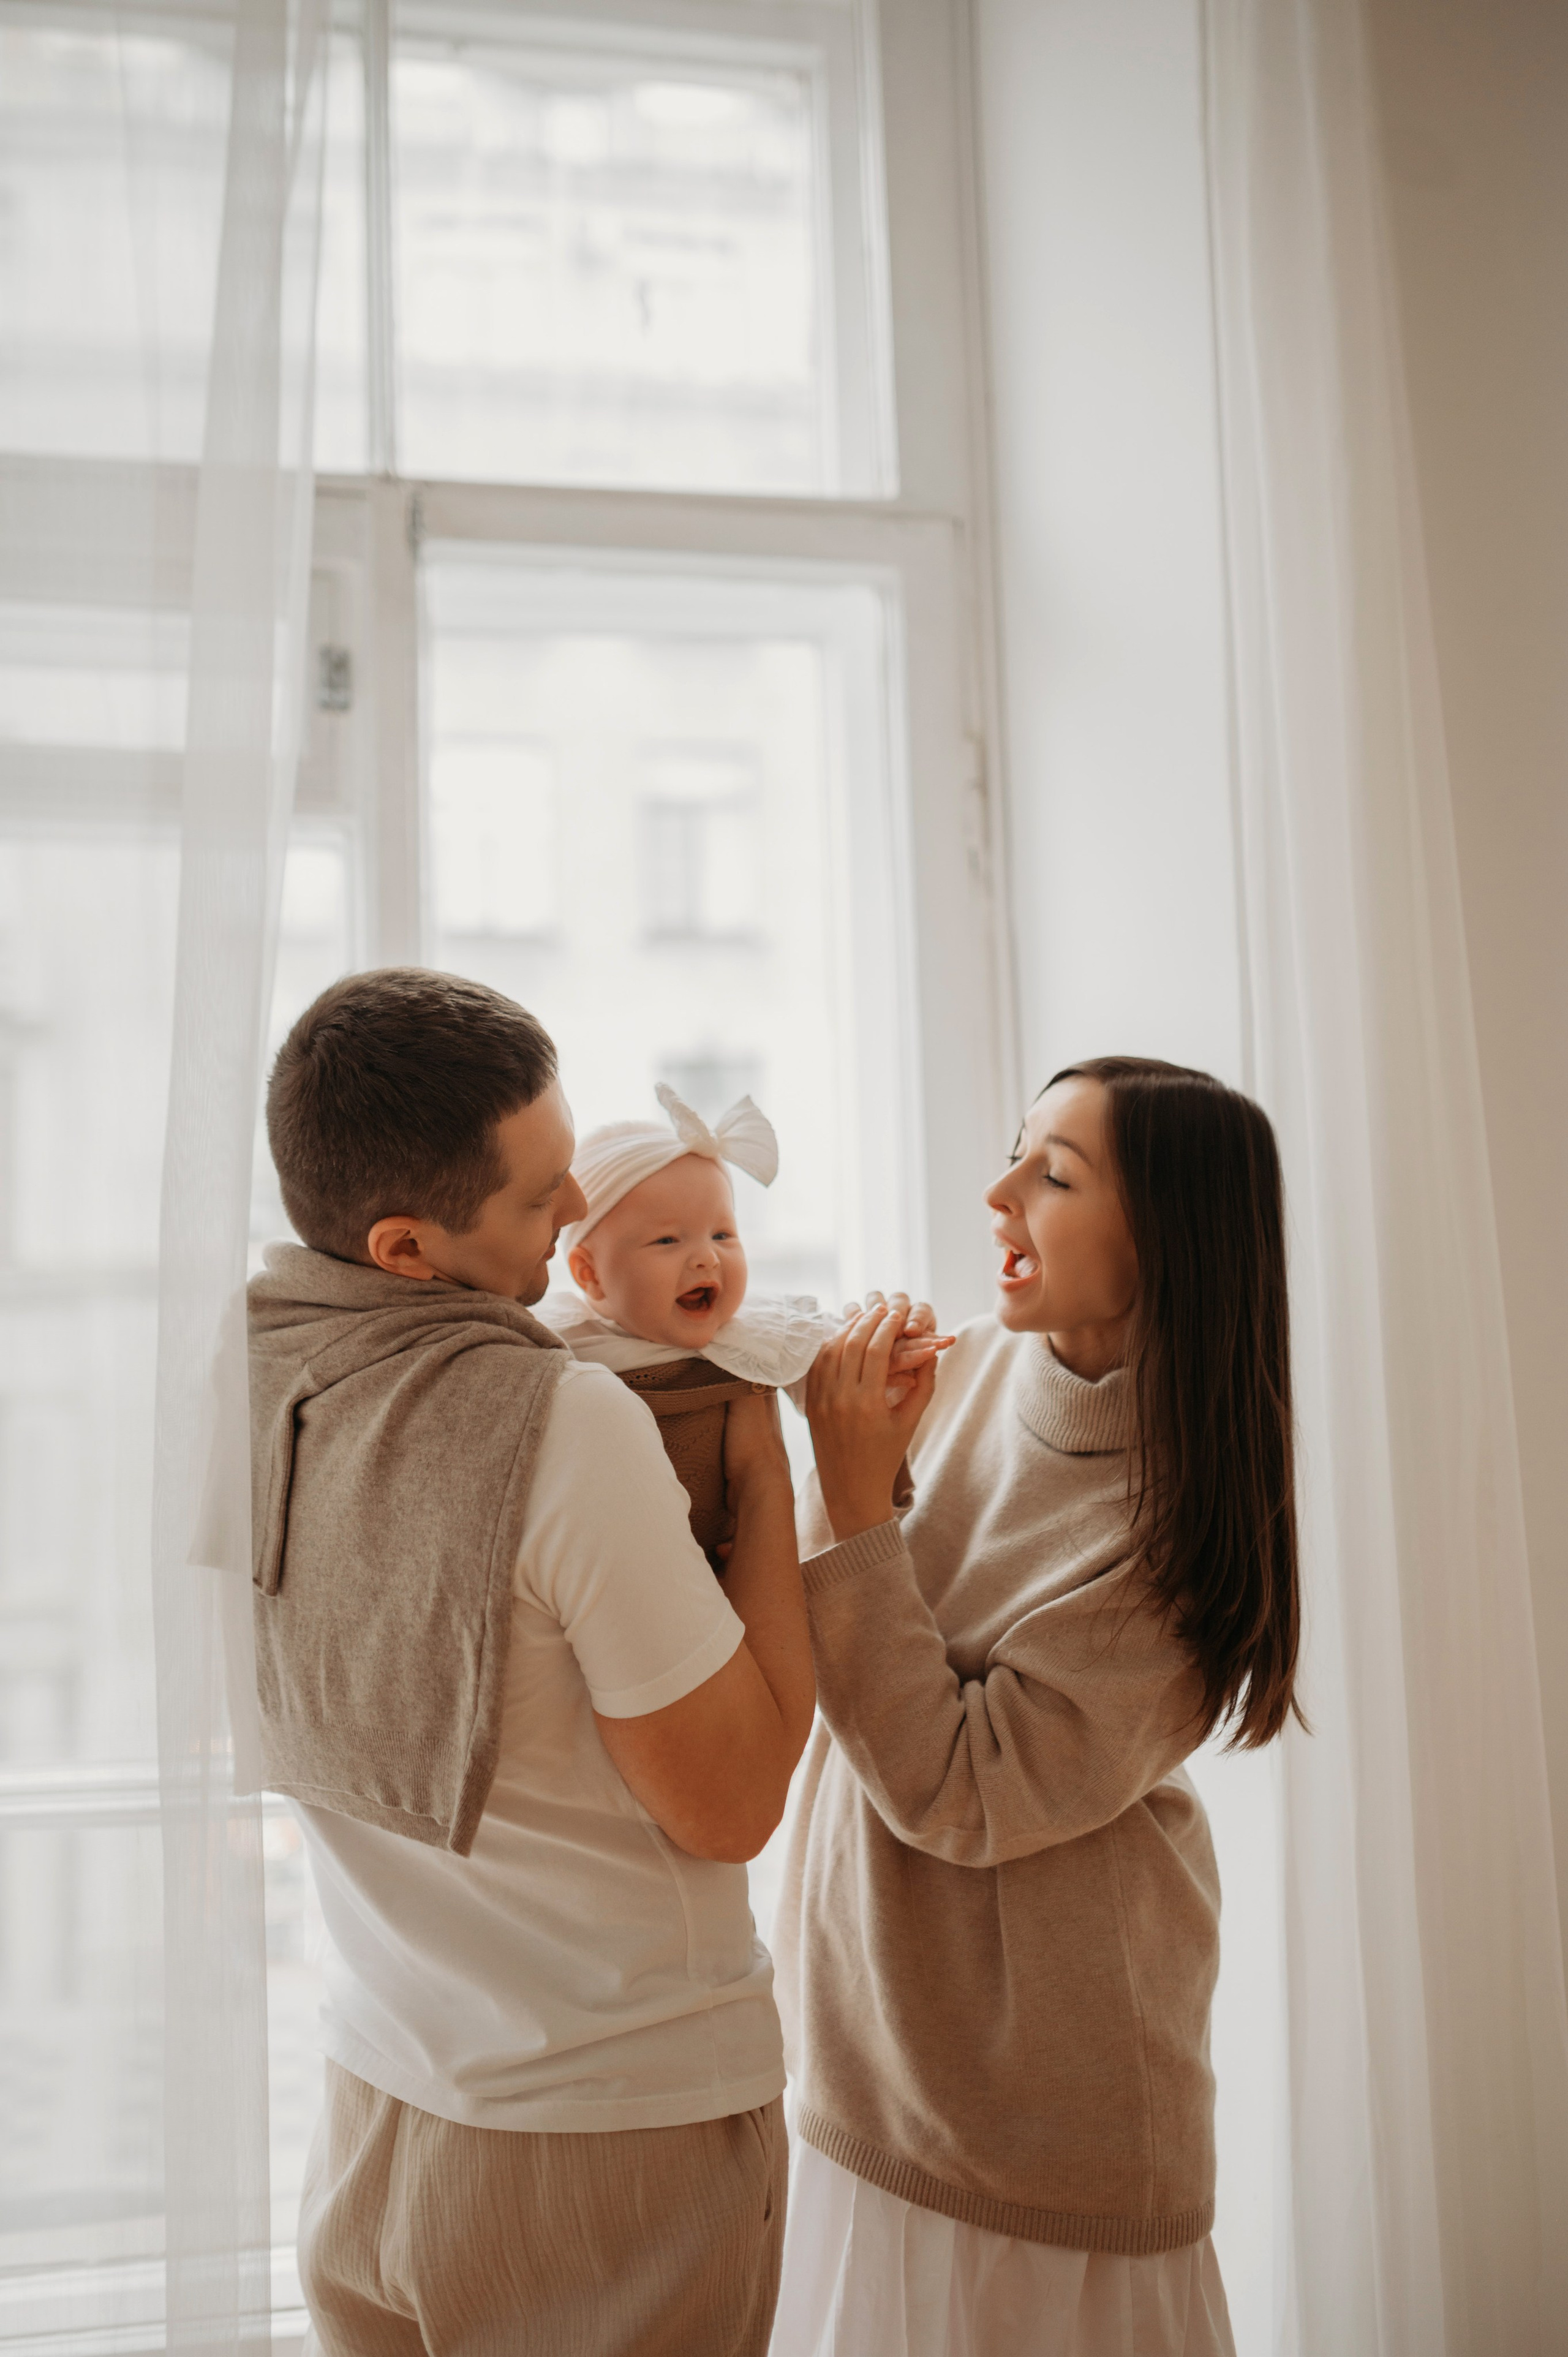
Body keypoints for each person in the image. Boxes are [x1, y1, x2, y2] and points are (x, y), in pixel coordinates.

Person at [249, 967, 815, 2357]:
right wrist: (787, 1475)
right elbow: (731, 1802)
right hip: (605, 2131)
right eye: (535, 1196)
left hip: (373, 2103)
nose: (577, 1214)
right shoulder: (563, 1422)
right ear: (402, 1246)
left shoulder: (256, 1384)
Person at [769, 1057, 1300, 2357]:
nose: (997, 1192)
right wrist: (861, 1473)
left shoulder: (1172, 1532)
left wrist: (852, 1502)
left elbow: (956, 1787)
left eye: (1051, 1175)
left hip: (1033, 2122)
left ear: (1161, 1243)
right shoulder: (972, 1371)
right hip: (861, 2058)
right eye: (1016, 1152)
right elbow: (843, 1629)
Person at [541, 1084, 948, 1560]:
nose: (707, 1258)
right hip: (615, 1556)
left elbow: (834, 1359)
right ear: (590, 1275)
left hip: (736, 1559)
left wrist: (888, 1349)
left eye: (723, 1234)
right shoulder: (561, 1343)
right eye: (668, 1241)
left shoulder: (756, 1332)